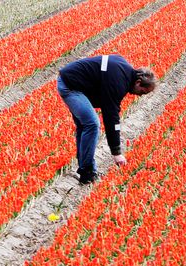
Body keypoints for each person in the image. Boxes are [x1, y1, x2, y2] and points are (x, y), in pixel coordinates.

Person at [57, 55, 157, 184]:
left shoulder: (124, 69)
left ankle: (85, 168)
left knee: (84, 126)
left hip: (72, 81)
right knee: (92, 124)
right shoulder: (119, 82)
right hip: (70, 86)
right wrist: (116, 152)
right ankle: (87, 171)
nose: (140, 95)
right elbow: (111, 116)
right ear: (138, 82)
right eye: (142, 92)